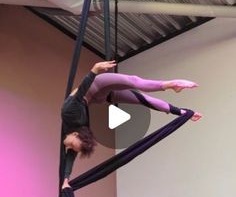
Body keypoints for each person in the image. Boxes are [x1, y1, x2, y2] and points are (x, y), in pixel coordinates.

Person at [61, 60, 202, 188]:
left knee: (133, 81)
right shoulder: (78, 133)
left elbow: (81, 91)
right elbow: (70, 157)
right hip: (101, 97)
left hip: (96, 84)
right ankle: (181, 112)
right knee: (141, 100)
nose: (68, 147)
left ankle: (170, 84)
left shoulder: (68, 112)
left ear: (75, 134)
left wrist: (94, 70)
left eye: (71, 145)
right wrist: (66, 180)